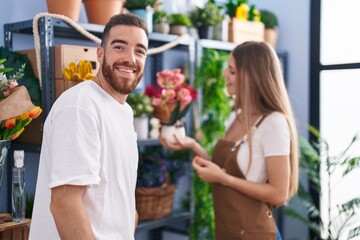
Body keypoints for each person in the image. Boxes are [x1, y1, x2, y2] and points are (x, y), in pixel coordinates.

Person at [160, 41, 299, 239]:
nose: (225, 75)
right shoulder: (237, 116)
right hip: (228, 231)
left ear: (252, 76)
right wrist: (191, 145)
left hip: (254, 233)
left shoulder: (274, 123)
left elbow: (278, 193)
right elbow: (221, 168)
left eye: (232, 71)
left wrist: (224, 179)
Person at [29, 13, 148, 240]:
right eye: (120, 47)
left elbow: (119, 193)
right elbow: (65, 204)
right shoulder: (80, 106)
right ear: (100, 54)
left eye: (139, 51)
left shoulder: (123, 110)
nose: (130, 58)